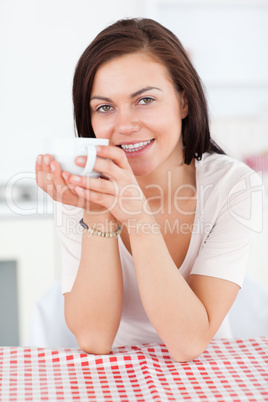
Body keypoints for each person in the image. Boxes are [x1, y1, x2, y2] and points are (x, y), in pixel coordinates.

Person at [35, 18, 262, 362]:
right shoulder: (82, 185)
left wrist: (138, 217)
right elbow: (95, 338)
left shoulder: (234, 186)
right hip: (113, 373)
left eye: (144, 100)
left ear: (183, 102)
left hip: (203, 373)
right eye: (105, 107)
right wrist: (98, 211)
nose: (125, 125)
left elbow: (188, 343)